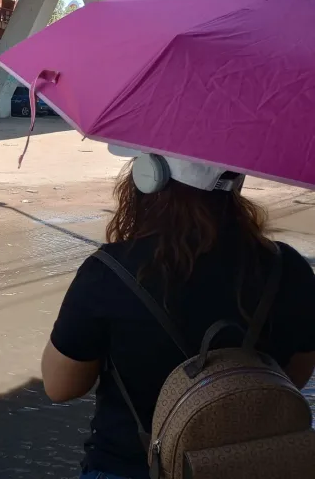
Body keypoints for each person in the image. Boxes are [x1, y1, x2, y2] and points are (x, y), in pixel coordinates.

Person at [40, 155, 315, 479]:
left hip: (130, 467)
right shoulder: (288, 268)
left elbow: (60, 387)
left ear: (149, 175)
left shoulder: (110, 272)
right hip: (252, 464)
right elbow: (293, 377)